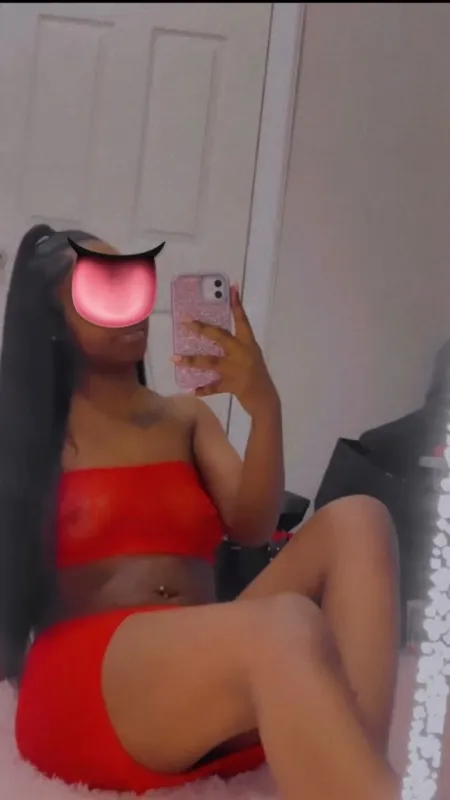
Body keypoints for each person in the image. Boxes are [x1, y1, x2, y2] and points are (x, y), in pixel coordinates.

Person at [0, 225, 400, 800]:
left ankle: (358, 769)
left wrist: (264, 407)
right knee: (287, 626)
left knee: (360, 518)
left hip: (196, 673)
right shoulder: (31, 438)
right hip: (89, 686)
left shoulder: (185, 419)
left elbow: (254, 526)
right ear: (53, 321)